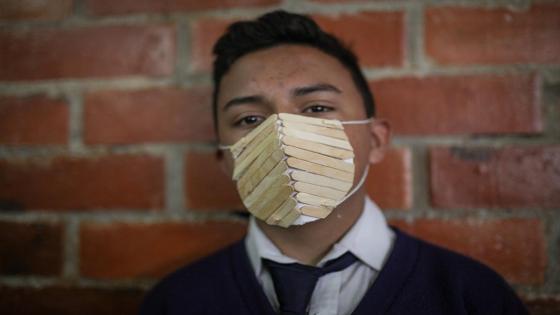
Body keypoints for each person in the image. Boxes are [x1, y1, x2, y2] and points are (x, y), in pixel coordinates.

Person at [140, 10, 528, 315]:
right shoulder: (175, 303)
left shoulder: (472, 297)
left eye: (317, 107)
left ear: (375, 140)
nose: (282, 134)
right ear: (226, 160)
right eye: (250, 120)